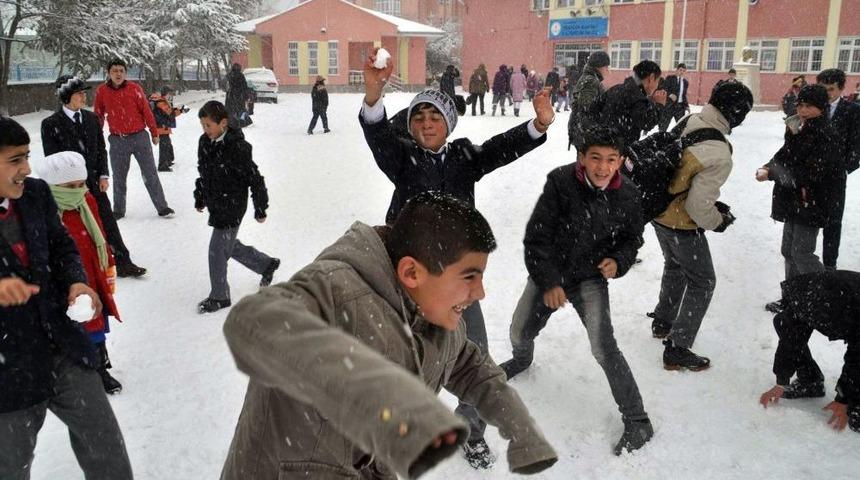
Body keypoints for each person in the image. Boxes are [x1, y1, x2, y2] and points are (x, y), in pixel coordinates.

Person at [220, 192, 558, 479]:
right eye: (469, 277)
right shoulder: (337, 291)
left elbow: (467, 364)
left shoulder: (432, 308)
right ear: (411, 272)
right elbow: (256, 322)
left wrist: (517, 423)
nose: (480, 292)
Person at [360, 48, 553, 468]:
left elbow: (502, 148)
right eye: (419, 118)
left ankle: (471, 429)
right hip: (409, 281)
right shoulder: (403, 159)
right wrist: (373, 99)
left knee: (475, 356)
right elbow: (377, 137)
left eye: (435, 117)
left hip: (457, 281)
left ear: (449, 123)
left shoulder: (464, 157)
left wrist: (537, 125)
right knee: (402, 359)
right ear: (410, 126)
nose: (426, 124)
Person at [499, 125, 653, 455]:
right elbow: (536, 238)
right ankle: (521, 360)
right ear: (581, 157)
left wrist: (619, 260)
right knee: (519, 330)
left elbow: (632, 238)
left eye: (611, 159)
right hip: (550, 272)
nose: (602, 167)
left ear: (620, 160)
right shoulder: (560, 183)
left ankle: (638, 421)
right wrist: (549, 282)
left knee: (604, 347)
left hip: (590, 278)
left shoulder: (629, 194)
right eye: (595, 157)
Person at [0, 117, 133, 480]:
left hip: (61, 347)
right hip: (8, 371)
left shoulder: (37, 194)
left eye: (27, 157)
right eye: (15, 160)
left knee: (105, 445)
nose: (27, 168)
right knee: (9, 467)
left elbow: (62, 248)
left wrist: (75, 283)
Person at [649, 82, 753, 370]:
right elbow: (697, 206)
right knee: (703, 281)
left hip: (658, 211)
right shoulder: (719, 152)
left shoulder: (690, 119)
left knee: (674, 266)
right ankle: (678, 347)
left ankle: (663, 320)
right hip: (682, 223)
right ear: (737, 114)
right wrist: (718, 222)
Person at [33, 151, 124, 394]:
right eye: (69, 186)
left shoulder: (86, 200)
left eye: (81, 184)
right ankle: (79, 370)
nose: (77, 190)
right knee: (72, 324)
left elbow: (99, 232)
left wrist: (107, 259)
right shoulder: (45, 210)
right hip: (65, 276)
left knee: (95, 321)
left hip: (92, 271)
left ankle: (100, 365)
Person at [42, 74, 147, 278]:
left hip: (94, 183)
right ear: (66, 96)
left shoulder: (91, 119)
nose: (83, 97)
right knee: (78, 229)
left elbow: (101, 149)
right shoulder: (50, 124)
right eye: (79, 93)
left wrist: (103, 175)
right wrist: (69, 185)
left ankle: (123, 261)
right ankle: (84, 268)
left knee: (108, 221)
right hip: (70, 190)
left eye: (83, 93)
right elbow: (53, 160)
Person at [757, 84, 842, 314]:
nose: (803, 110)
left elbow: (812, 173)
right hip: (794, 200)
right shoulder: (798, 128)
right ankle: (793, 298)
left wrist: (773, 174)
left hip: (810, 202)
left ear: (821, 108)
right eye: (801, 105)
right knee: (788, 250)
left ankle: (826, 296)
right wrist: (769, 165)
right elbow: (786, 153)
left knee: (802, 253)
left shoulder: (826, 135)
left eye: (809, 106)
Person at [194, 100, 280, 313]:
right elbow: (204, 172)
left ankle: (220, 296)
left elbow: (254, 178)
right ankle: (266, 264)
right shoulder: (204, 143)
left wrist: (260, 207)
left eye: (208, 126)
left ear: (223, 123)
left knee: (217, 250)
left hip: (232, 204)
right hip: (216, 202)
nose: (205, 130)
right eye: (203, 126)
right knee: (228, 246)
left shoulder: (238, 147)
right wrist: (200, 196)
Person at [759, 270, 860, 434]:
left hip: (848, 303)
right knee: (784, 323)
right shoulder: (807, 296)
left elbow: (857, 357)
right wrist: (781, 380)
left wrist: (844, 399)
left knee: (855, 418)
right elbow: (790, 334)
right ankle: (810, 381)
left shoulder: (844, 307)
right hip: (835, 297)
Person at [94, 58, 174, 219]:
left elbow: (146, 111)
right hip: (117, 140)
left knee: (150, 173)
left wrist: (154, 132)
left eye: (121, 71)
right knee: (119, 177)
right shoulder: (102, 91)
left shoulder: (134, 88)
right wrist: (96, 137)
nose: (118, 74)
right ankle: (118, 209)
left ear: (125, 72)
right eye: (114, 71)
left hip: (139, 138)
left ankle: (162, 207)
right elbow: (98, 115)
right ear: (108, 73)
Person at [816, 69, 860, 270]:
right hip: (810, 176)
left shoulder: (852, 111)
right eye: (822, 89)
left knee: (833, 223)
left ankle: (829, 266)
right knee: (805, 220)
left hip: (835, 178)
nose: (826, 93)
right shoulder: (812, 108)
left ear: (841, 89)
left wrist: (842, 169)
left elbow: (856, 146)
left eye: (831, 89)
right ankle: (803, 260)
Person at [595, 60, 667, 148]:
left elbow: (594, 109)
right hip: (618, 150)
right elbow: (646, 123)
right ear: (651, 78)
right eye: (658, 81)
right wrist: (659, 105)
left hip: (603, 144)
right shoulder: (636, 96)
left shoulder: (617, 88)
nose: (657, 86)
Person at [568, 51, 610, 151]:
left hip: (582, 131)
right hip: (586, 133)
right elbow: (586, 107)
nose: (607, 70)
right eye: (606, 67)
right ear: (599, 66)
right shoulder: (591, 81)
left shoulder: (588, 78)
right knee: (586, 164)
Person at [149, 85, 187, 172]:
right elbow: (170, 114)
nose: (171, 95)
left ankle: (168, 161)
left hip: (163, 127)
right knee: (164, 147)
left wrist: (178, 109)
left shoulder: (163, 101)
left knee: (167, 144)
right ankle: (163, 166)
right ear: (166, 93)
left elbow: (169, 112)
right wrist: (180, 111)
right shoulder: (161, 102)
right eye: (170, 93)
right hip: (162, 127)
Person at [658, 63, 690, 132]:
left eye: (684, 71)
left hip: (680, 108)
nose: (682, 72)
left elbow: (683, 95)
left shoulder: (685, 82)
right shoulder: (670, 78)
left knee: (682, 127)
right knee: (663, 126)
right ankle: (660, 140)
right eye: (680, 70)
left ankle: (678, 141)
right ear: (677, 70)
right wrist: (670, 95)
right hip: (669, 106)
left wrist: (686, 106)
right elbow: (663, 88)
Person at [225, 63, 251, 129]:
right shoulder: (241, 75)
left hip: (231, 95)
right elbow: (244, 86)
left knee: (230, 110)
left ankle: (230, 122)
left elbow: (224, 84)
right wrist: (246, 96)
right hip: (240, 95)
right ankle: (242, 122)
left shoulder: (229, 75)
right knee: (241, 109)